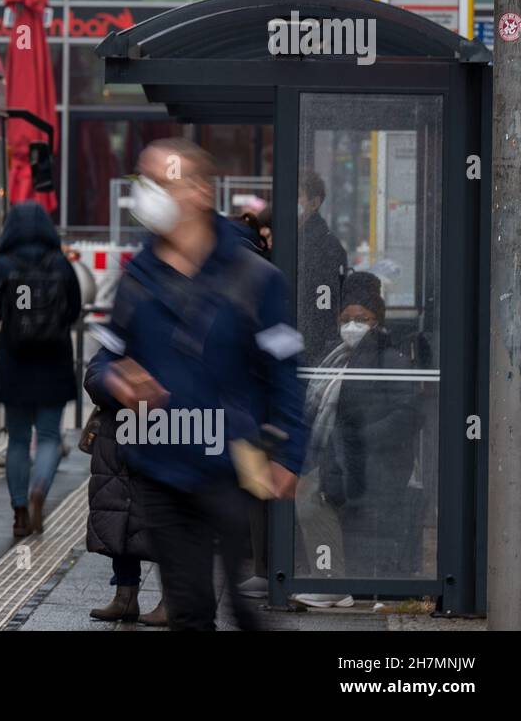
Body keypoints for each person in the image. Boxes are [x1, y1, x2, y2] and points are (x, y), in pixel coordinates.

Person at [87, 139, 307, 631]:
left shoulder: (256, 278)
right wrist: (115, 379)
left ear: (200, 192)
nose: (149, 194)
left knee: (243, 601)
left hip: (232, 464)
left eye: (162, 182)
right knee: (189, 608)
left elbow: (285, 371)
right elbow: (103, 358)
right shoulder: (137, 277)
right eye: (144, 183)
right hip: (161, 464)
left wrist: (289, 454)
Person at [293, 272, 420, 604]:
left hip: (373, 461)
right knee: (304, 492)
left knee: (310, 500)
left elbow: (406, 415)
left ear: (376, 320)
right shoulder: (335, 357)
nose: (352, 326)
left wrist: (358, 440)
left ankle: (331, 584)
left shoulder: (390, 360)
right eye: (346, 319)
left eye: (361, 319)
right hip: (339, 456)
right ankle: (327, 578)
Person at [0, 202, 82, 537]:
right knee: (50, 436)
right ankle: (40, 487)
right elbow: (75, 310)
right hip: (54, 360)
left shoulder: (0, 265)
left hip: (14, 362)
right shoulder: (61, 264)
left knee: (18, 438)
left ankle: (20, 512)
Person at [82, 398, 167, 626]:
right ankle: (124, 597)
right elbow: (95, 376)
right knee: (119, 516)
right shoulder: (117, 361)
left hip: (164, 431)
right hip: (118, 434)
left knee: (164, 521)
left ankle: (172, 601)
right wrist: (122, 383)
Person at [298, 170, 349, 365]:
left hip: (310, 344)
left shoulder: (324, 246)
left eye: (299, 196)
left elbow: (324, 300)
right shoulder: (295, 238)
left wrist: (313, 340)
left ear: (314, 203)